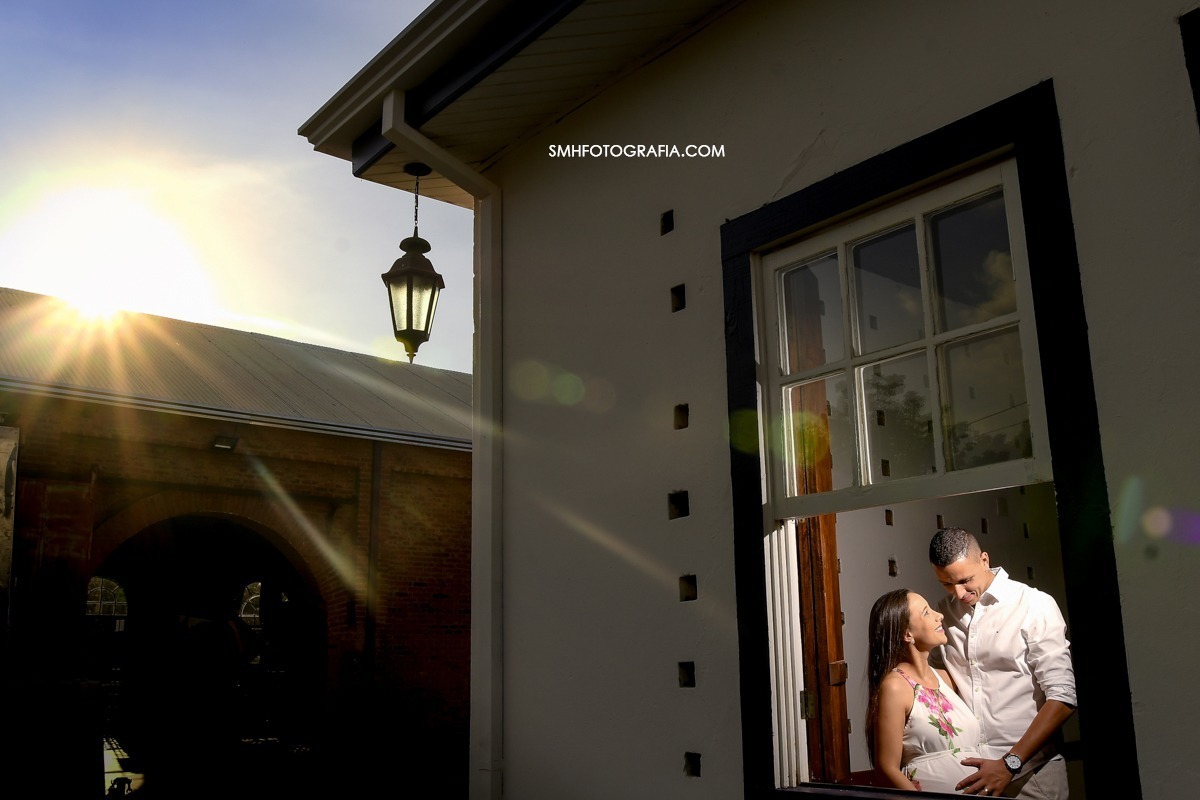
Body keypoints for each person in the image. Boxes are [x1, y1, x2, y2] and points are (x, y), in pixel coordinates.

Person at [929, 527, 1076, 799]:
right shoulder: (944, 612)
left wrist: (1011, 763)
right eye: (947, 584)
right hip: (969, 776)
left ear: (984, 560)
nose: (958, 593)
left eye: (965, 580)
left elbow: (1063, 696)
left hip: (1033, 774)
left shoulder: (1034, 604)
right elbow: (939, 684)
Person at [866, 587, 983, 793]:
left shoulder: (947, 678)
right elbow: (886, 768)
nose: (940, 616)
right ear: (907, 633)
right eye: (927, 612)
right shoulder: (895, 686)